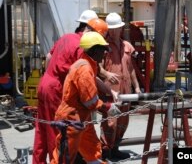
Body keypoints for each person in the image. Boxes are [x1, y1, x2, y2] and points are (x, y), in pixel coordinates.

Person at [32, 10, 110, 164]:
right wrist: (108, 94)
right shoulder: (83, 47)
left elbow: (49, 57)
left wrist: (52, 75)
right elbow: (85, 80)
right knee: (59, 133)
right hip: (57, 89)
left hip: (45, 83)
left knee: (42, 131)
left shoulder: (67, 37)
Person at [50, 31, 121, 164]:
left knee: (93, 149)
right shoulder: (84, 69)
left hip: (82, 118)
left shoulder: (87, 65)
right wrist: (108, 107)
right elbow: (90, 100)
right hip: (72, 119)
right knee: (64, 157)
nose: (105, 53)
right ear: (94, 51)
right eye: (103, 50)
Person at [98, 12, 141, 159]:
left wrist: (136, 87)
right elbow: (98, 67)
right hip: (110, 91)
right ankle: (105, 151)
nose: (115, 31)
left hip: (125, 90)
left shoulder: (127, 46)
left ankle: (115, 148)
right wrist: (107, 75)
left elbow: (131, 69)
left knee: (123, 120)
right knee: (110, 123)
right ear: (108, 29)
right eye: (113, 28)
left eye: (118, 28)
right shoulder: (103, 46)